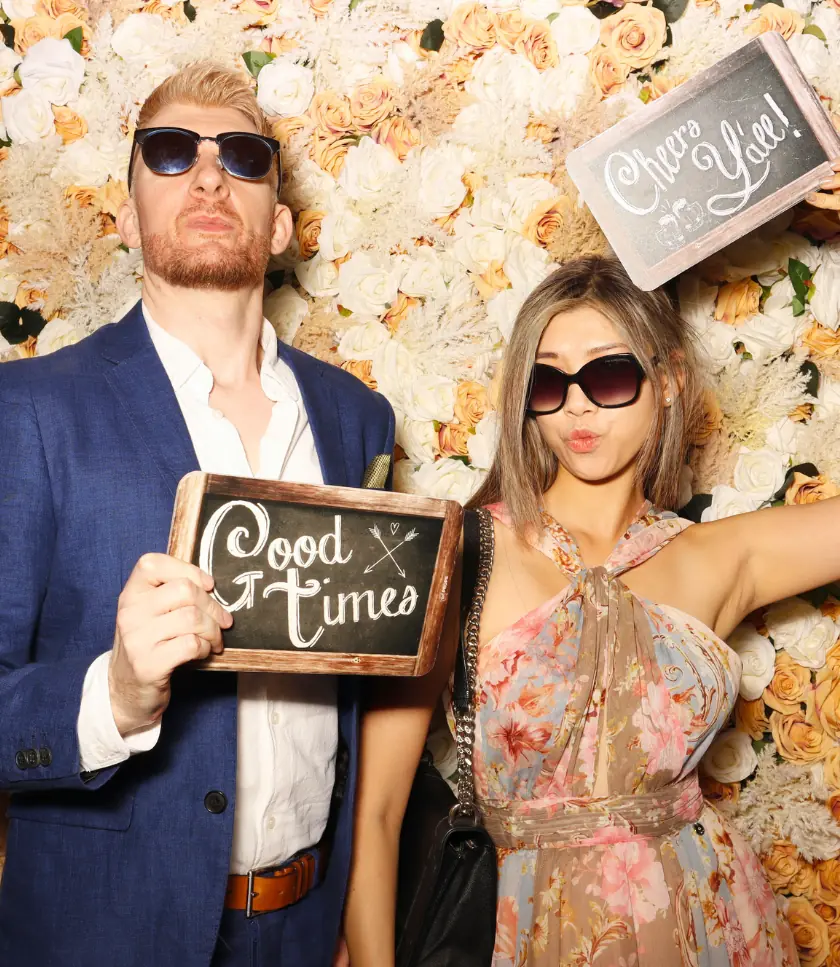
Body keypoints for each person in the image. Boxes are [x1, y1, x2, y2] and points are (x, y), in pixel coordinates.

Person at [0, 62, 394, 967]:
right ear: (129, 210)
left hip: (303, 923)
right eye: (172, 153)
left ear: (283, 223)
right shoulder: (28, 410)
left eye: (244, 157)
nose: (210, 175)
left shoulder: (357, 418)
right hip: (100, 937)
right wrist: (117, 693)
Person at [343, 254, 840, 966]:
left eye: (607, 375)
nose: (577, 405)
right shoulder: (459, 551)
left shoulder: (717, 556)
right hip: (525, 928)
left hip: (708, 921)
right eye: (549, 381)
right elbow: (376, 809)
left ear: (667, 381)